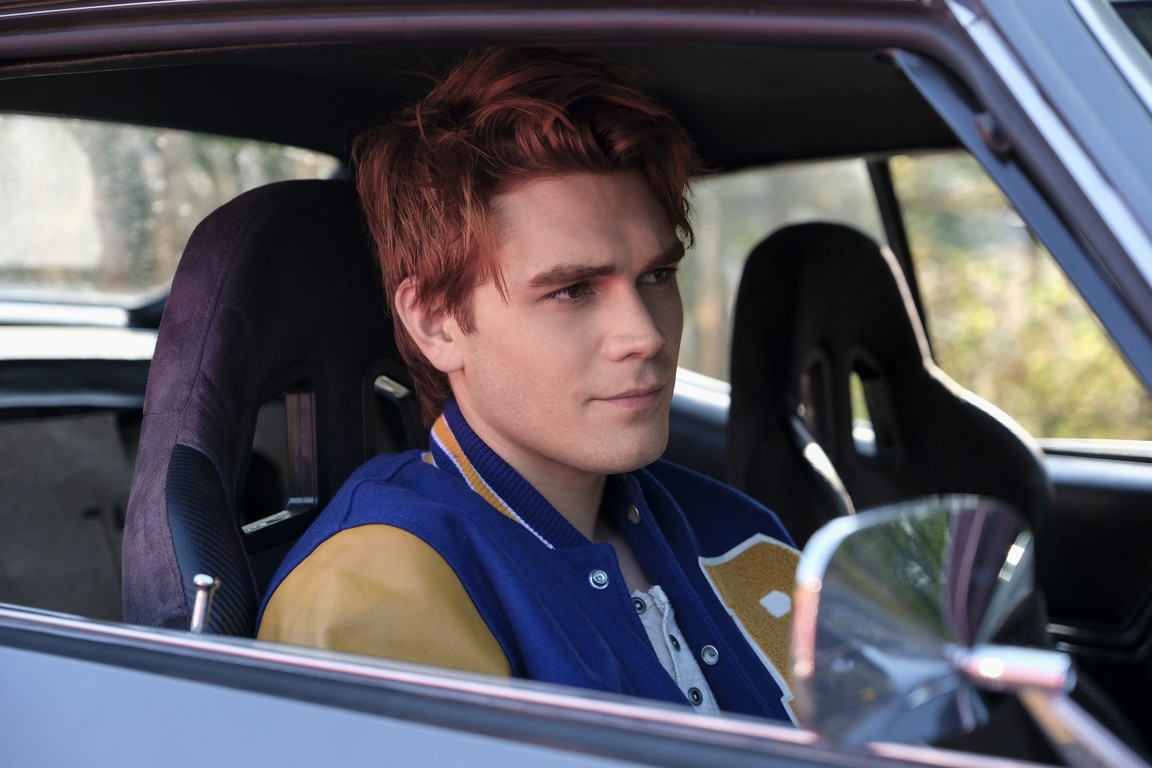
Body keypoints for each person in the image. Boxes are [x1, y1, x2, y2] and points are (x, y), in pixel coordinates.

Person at [257, 47, 800, 722]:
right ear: (436, 322)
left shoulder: (741, 532)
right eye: (572, 290)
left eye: (656, 276)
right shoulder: (372, 593)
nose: (646, 335)